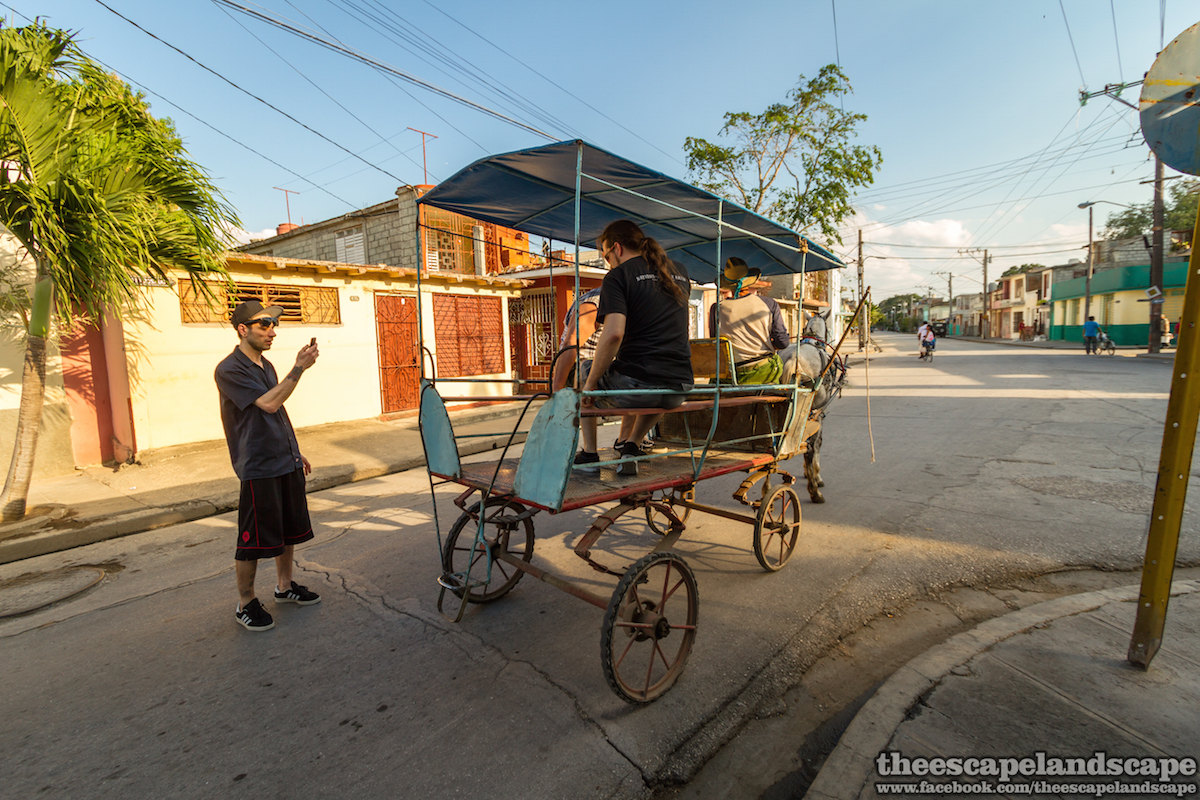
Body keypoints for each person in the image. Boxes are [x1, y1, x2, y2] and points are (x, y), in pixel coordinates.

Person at [215, 301, 322, 632]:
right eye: (264, 326)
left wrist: (294, 449)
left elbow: (278, 411)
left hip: (283, 458)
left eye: (274, 325)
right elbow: (269, 402)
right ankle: (245, 603)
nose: (272, 332)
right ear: (243, 330)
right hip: (258, 463)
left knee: (287, 528)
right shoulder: (229, 369)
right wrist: (300, 368)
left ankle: (284, 586)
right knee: (252, 538)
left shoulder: (268, 366)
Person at [576, 219, 694, 476]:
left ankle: (589, 453)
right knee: (657, 386)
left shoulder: (618, 276)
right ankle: (631, 446)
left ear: (616, 248)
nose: (608, 262)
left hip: (637, 387)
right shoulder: (680, 271)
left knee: (585, 369)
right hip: (680, 386)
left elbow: (613, 334)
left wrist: (591, 384)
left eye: (606, 256)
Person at [708, 257, 789, 384]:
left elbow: (714, 341)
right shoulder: (769, 304)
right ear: (750, 282)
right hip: (763, 371)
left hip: (728, 374)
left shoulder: (716, 308)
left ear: (728, 285)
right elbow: (782, 343)